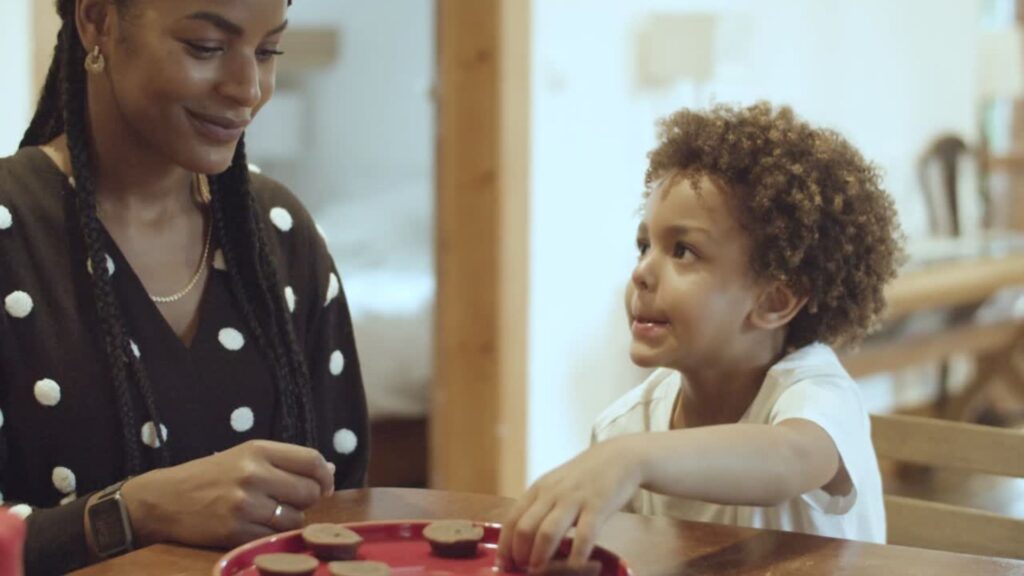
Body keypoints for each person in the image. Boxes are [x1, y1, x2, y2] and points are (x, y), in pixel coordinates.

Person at [0, 1, 368, 573]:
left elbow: (345, 508)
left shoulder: (278, 235)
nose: (249, 88)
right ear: (97, 20)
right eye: (205, 47)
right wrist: (133, 510)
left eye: (269, 50)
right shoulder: (12, 237)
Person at [497, 102, 904, 572]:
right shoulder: (627, 427)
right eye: (644, 244)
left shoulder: (813, 393)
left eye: (683, 251)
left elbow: (790, 457)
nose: (642, 271)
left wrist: (631, 460)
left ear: (774, 301)